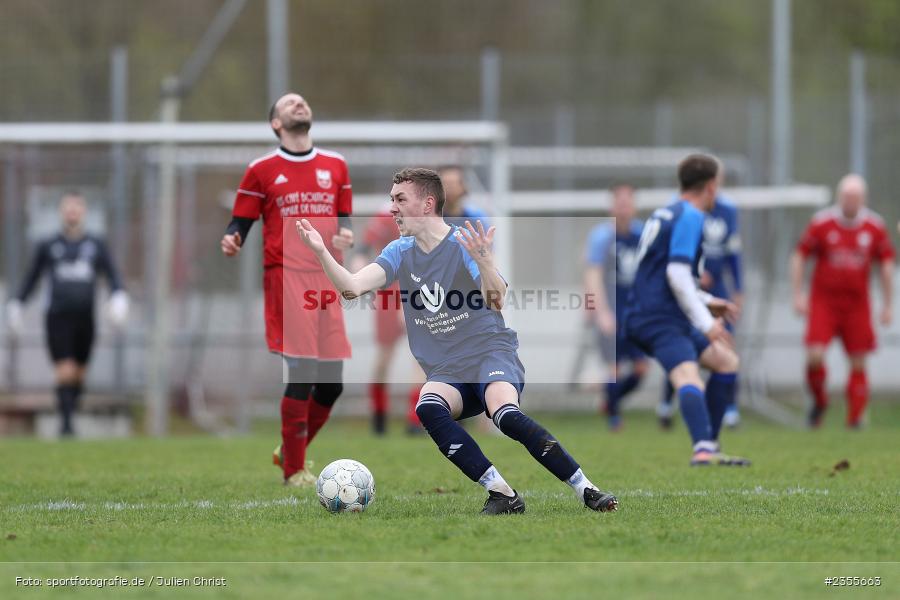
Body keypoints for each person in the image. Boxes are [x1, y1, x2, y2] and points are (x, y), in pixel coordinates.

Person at [297, 167, 619, 515]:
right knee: (428, 406)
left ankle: (587, 489)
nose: (392, 209)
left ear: (426, 204)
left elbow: (497, 298)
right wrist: (320, 251)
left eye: (399, 200)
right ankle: (502, 494)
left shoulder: (462, 242)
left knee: (505, 415)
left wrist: (484, 263)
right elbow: (351, 286)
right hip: (448, 369)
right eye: (391, 200)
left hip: (489, 354)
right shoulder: (399, 251)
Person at [221, 92, 354, 486]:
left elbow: (344, 218)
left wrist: (346, 235)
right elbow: (238, 224)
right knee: (301, 370)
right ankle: (294, 470)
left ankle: (288, 452)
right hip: (287, 277)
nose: (299, 104)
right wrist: (232, 239)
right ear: (275, 123)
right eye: (288, 103)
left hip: (326, 278)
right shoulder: (261, 169)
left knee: (332, 383)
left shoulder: (336, 165)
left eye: (302, 101)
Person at [624, 154, 749, 466]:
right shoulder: (691, 216)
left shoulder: (666, 212)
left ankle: (709, 444)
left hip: (657, 312)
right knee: (686, 374)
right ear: (710, 186)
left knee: (725, 361)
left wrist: (707, 300)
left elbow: (663, 274)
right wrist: (706, 322)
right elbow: (676, 275)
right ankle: (703, 450)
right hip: (658, 318)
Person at [5, 191, 128, 436]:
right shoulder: (49, 245)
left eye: (77, 207)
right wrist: (17, 303)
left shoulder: (96, 245)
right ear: (62, 212)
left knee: (79, 372)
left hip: (85, 317)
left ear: (83, 212)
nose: (72, 212)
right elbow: (33, 277)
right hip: (57, 316)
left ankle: (69, 413)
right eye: (68, 207)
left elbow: (112, 274)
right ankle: (67, 425)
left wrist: (118, 295)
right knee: (65, 369)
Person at [790, 174, 894, 429]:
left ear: (864, 199)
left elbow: (887, 264)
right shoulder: (822, 223)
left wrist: (888, 304)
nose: (850, 201)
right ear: (839, 197)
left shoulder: (874, 226)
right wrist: (798, 294)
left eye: (855, 197)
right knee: (815, 355)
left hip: (857, 303)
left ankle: (856, 417)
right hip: (824, 300)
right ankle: (819, 403)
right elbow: (799, 256)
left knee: (859, 359)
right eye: (846, 196)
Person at [658, 173, 744, 429]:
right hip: (685, 287)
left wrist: (738, 288)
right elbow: (675, 264)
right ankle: (666, 405)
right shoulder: (680, 210)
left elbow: (733, 253)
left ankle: (728, 410)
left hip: (714, 289)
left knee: (725, 347)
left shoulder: (728, 210)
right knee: (681, 347)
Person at [584, 184, 648, 430]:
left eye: (627, 202)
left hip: (636, 312)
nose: (623, 206)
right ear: (611, 206)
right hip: (611, 309)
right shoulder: (602, 236)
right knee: (614, 366)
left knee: (641, 368)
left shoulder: (643, 234)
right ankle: (615, 420)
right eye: (619, 202)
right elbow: (593, 275)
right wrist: (601, 312)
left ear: (634, 206)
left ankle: (610, 401)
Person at [356, 208, 423, 435]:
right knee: (384, 357)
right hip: (389, 294)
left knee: (421, 358)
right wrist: (360, 270)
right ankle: (379, 415)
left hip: (418, 292)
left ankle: (415, 419)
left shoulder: (425, 218)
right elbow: (364, 247)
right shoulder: (386, 218)